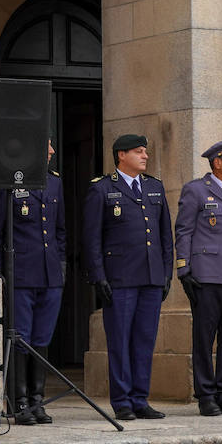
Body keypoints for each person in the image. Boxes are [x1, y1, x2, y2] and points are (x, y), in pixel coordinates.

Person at [82, 134, 173, 421]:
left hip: (150, 277)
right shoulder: (103, 189)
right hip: (119, 278)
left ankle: (140, 398)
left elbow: (164, 238)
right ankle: (122, 400)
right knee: (120, 340)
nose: (145, 156)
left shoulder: (154, 187)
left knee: (144, 340)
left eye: (145, 151)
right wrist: (98, 277)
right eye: (138, 151)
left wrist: (166, 275)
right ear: (121, 155)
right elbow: (91, 238)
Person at [0, 140, 67, 424]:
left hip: (49, 275)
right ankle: (18, 402)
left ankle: (37, 400)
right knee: (21, 338)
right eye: (45, 146)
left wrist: (61, 267)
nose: (51, 152)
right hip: (20, 274)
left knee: (42, 337)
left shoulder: (54, 183)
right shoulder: (7, 183)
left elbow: (60, 232)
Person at [174, 136, 222, 416]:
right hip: (207, 275)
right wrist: (184, 268)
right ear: (217, 162)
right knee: (204, 338)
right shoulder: (196, 190)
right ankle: (205, 394)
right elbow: (183, 231)